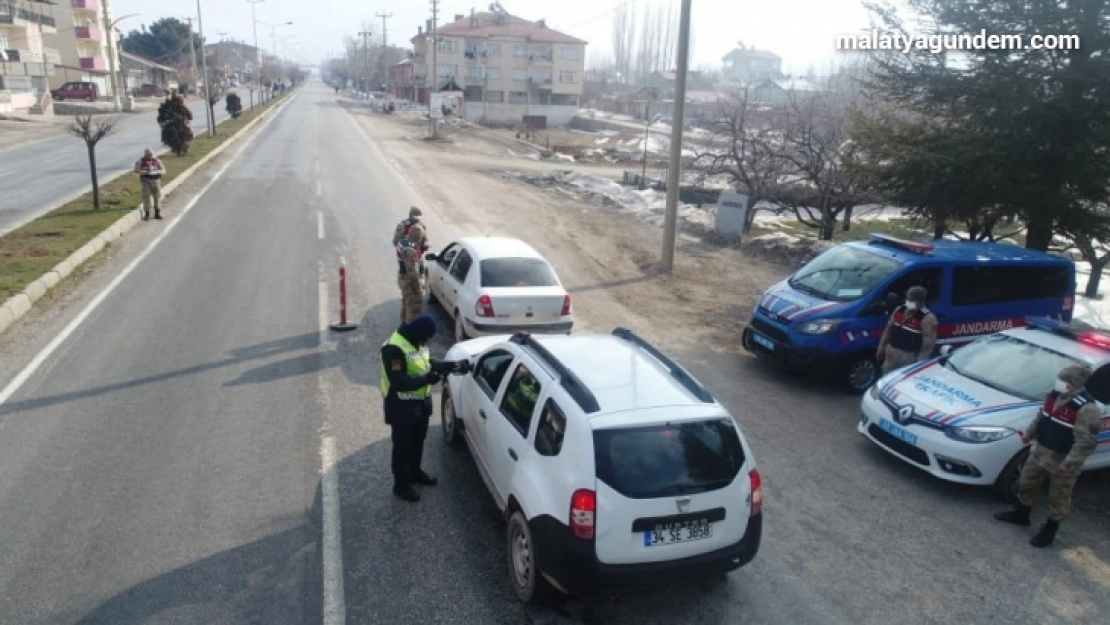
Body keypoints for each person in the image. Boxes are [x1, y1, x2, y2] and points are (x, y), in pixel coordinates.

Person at [994, 363, 1101, 547]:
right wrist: (1029, 433)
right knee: (1027, 482)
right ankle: (1021, 513)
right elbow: (1042, 416)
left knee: (1058, 496)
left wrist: (1070, 463)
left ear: (1072, 383)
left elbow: (1086, 442)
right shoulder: (1054, 395)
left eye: (1064, 379)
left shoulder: (1088, 409)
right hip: (1040, 450)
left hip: (1063, 460)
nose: (1059, 382)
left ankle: (1049, 530)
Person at [380, 315, 470, 502]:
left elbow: (427, 362)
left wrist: (450, 366)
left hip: (420, 404)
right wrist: (426, 379)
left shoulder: (416, 341)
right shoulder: (394, 348)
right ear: (418, 333)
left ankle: (415, 472)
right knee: (402, 446)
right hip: (401, 405)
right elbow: (399, 382)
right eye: (425, 337)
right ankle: (401, 485)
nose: (426, 342)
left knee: (418, 441)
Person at [876, 286, 938, 375]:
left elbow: (927, 346)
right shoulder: (899, 310)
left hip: (908, 358)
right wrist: (881, 347)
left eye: (912, 300)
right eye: (907, 298)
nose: (908, 302)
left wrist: (918, 365)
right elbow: (888, 330)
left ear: (920, 302)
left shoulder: (927, 318)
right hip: (891, 355)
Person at [397, 223, 427, 323]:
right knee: (414, 307)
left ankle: (404, 324)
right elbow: (413, 273)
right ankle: (411, 329)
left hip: (403, 278)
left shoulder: (403, 242)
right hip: (409, 281)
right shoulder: (411, 251)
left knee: (406, 303)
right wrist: (418, 289)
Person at [133, 148, 166, 220]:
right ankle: (147, 213)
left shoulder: (157, 161)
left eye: (151, 155)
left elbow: (163, 170)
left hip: (156, 180)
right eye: (148, 155)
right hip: (146, 181)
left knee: (157, 197)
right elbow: (136, 170)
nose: (150, 157)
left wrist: (158, 172)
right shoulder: (141, 161)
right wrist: (145, 172)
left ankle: (157, 213)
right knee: (146, 197)